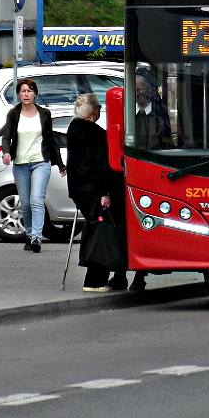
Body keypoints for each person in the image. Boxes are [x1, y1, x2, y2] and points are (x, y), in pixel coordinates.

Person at [66, 93, 134, 292]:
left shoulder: (73, 129)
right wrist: (105, 191)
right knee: (101, 231)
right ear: (95, 111)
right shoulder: (94, 133)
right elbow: (97, 164)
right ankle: (94, 280)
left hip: (79, 189)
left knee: (96, 227)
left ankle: (109, 277)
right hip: (94, 189)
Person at [1, 78, 65, 253]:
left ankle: (36, 237)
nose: (26, 94)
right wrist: (6, 152)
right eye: (23, 91)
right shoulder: (14, 114)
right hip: (20, 163)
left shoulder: (44, 114)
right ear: (19, 95)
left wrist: (60, 164)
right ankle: (29, 235)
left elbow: (51, 139)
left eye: (29, 91)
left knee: (37, 200)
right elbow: (6, 137)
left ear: (35, 94)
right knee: (26, 203)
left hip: (40, 162)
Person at [134, 74, 171, 149]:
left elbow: (171, 138)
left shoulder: (161, 110)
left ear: (148, 89)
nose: (136, 94)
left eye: (139, 90)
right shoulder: (127, 111)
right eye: (134, 90)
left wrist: (163, 128)